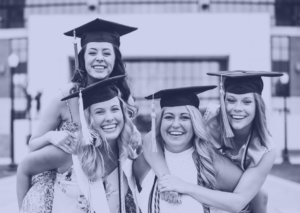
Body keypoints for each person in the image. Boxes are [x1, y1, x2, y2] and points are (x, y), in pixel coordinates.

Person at [18, 19, 138, 213]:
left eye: (106, 53)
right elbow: (32, 146)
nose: (100, 58)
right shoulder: (64, 98)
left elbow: (125, 144)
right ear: (82, 58)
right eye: (92, 52)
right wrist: (51, 137)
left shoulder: (123, 98)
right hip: (64, 187)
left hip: (108, 182)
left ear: (115, 59)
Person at [142, 71, 282, 213]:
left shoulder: (265, 149)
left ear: (257, 105)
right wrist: (166, 179)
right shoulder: (210, 115)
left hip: (235, 187)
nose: (238, 108)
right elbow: (151, 138)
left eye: (247, 101)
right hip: (207, 173)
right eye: (231, 100)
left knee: (261, 195)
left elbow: (238, 202)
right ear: (223, 100)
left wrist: (183, 186)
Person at [18, 76, 141, 213]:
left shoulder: (127, 154)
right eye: (99, 112)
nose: (109, 118)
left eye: (114, 109)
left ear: (123, 114)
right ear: (88, 119)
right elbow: (24, 168)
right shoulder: (71, 150)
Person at [134, 86, 246, 213]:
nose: (175, 124)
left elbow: (250, 198)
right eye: (169, 117)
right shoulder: (144, 163)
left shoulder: (210, 164)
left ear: (195, 123)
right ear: (160, 122)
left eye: (185, 117)